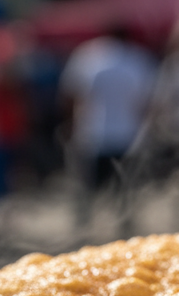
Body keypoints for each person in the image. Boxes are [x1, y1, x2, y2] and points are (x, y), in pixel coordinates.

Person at [59, 29, 158, 236]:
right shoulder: (138, 59)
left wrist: (71, 124)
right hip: (129, 135)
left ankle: (84, 226)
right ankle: (125, 226)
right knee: (125, 186)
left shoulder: (89, 57)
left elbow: (71, 95)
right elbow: (147, 103)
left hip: (94, 132)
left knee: (89, 186)